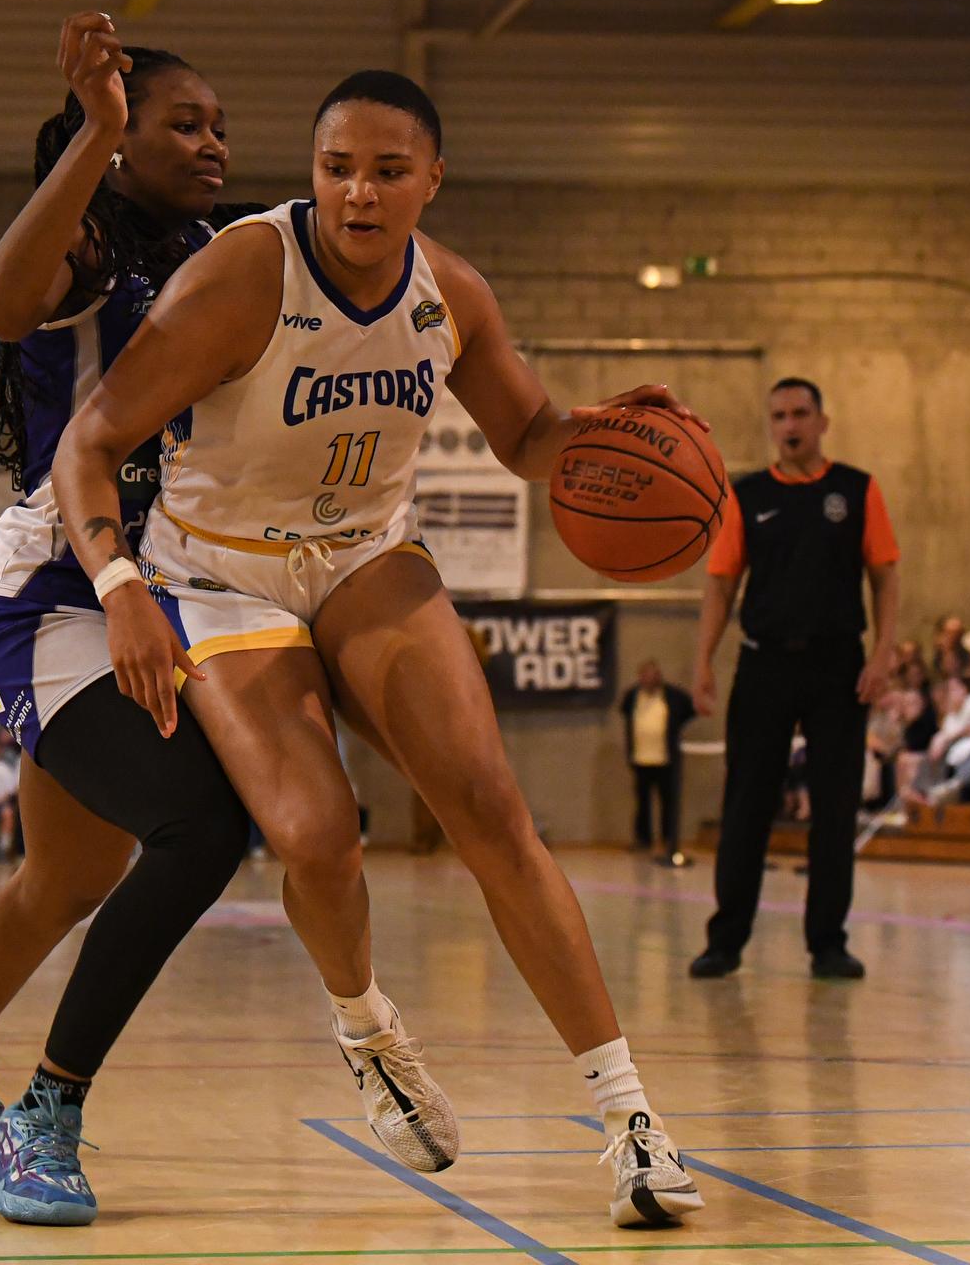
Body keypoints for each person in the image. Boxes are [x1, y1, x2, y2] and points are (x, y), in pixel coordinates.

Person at [53, 66, 706, 1227]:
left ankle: (632, 1120)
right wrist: (118, 584)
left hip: (361, 553)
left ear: (431, 181)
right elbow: (89, 443)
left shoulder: (451, 290)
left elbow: (528, 438)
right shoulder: (245, 275)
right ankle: (367, 1029)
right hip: (217, 564)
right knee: (318, 833)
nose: (360, 191)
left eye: (388, 171)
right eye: (337, 167)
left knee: (490, 805)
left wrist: (611, 431)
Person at [0, 21, 291, 1229]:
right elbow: (4, 304)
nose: (213, 143)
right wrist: (96, 132)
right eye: (183, 124)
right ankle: (45, 1111)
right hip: (51, 596)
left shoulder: (228, 253)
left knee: (68, 873)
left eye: (220, 126)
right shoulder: (91, 245)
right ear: (118, 140)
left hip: (167, 589)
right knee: (201, 826)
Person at [686, 376, 900, 982]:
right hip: (764, 664)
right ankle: (725, 942)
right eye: (778, 415)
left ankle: (828, 943)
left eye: (800, 413)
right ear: (771, 425)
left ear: (822, 422)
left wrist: (882, 654)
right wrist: (703, 659)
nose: (790, 424)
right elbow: (722, 583)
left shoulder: (856, 490)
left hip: (838, 665)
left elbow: (885, 577)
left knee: (834, 810)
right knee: (746, 805)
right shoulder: (746, 494)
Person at [618, 661, 695, 866]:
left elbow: (690, 708)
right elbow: (625, 713)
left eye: (652, 675)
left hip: (665, 760)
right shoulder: (633, 696)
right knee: (642, 802)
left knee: (667, 801)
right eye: (645, 675)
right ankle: (643, 839)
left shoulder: (671, 695)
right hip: (641, 758)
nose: (649, 679)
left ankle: (668, 840)